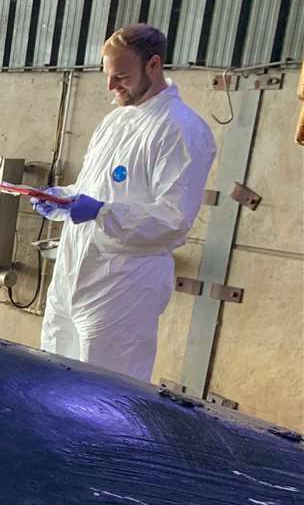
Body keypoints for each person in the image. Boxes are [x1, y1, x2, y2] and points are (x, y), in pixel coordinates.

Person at [33, 23, 216, 383]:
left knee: (106, 388)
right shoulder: (115, 121)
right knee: (52, 374)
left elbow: (172, 219)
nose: (111, 87)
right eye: (108, 75)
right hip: (74, 274)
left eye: (122, 76)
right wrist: (63, 199)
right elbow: (96, 189)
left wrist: (101, 213)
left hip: (122, 286)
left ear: (154, 65)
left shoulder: (181, 130)